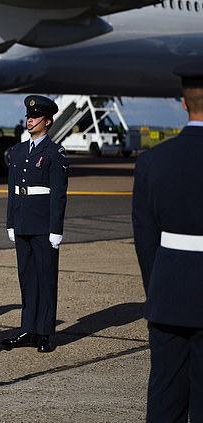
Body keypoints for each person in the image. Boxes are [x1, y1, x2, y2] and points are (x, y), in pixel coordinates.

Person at [132, 65, 203, 422]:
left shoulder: (152, 162)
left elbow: (145, 239)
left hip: (169, 295)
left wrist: (156, 289)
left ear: (182, 103)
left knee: (166, 398)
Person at [2, 95, 68, 353]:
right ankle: (27, 329)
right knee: (26, 277)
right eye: (28, 116)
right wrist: (10, 222)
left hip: (43, 225)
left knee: (46, 278)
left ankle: (44, 333)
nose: (29, 119)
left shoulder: (54, 152)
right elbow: (11, 190)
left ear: (47, 121)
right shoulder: (18, 151)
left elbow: (58, 194)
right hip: (22, 222)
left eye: (35, 116)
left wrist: (56, 229)